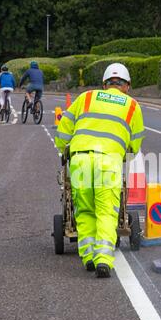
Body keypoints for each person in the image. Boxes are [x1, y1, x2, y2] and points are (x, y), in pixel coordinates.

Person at [55, 63, 145, 278]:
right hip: (109, 161)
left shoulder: (85, 98)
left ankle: (87, 257)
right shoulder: (132, 106)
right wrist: (126, 152)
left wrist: (63, 150)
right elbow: (135, 143)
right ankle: (103, 259)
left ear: (105, 84)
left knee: (85, 210)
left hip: (81, 160)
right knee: (107, 211)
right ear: (127, 86)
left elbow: (64, 130)